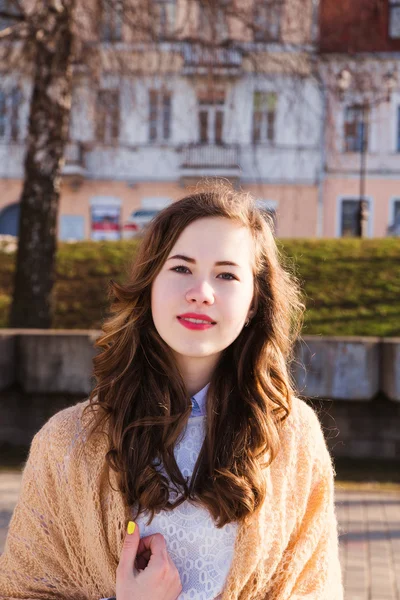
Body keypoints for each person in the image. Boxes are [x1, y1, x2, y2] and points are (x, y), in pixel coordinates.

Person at [0, 182, 344, 599]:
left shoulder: (294, 439)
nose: (201, 292)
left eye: (226, 274)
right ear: (149, 285)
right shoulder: (66, 445)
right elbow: (22, 590)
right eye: (181, 268)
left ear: (254, 301)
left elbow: (315, 590)